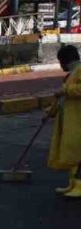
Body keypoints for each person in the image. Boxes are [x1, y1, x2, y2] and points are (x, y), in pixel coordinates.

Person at [47, 44, 81, 198]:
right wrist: (50, 112)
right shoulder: (70, 75)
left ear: (65, 61)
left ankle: (79, 186)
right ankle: (73, 184)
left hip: (78, 119)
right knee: (72, 154)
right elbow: (61, 99)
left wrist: (65, 90)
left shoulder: (80, 71)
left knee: (78, 155)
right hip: (70, 120)